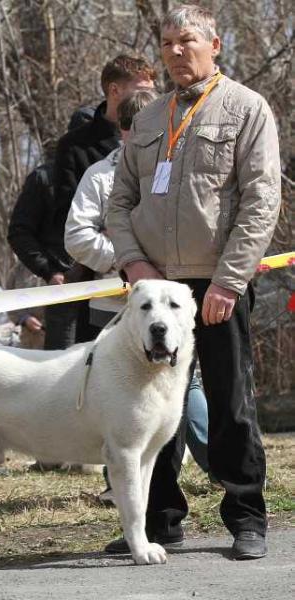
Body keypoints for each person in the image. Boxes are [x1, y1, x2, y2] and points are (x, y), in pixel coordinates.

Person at [106, 4, 281, 560]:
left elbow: (261, 199)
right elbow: (120, 202)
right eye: (167, 44)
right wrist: (134, 265)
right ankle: (159, 520)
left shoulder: (247, 108)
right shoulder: (152, 117)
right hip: (155, 288)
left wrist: (228, 282)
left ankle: (247, 517)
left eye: (187, 41)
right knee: (152, 406)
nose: (177, 52)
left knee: (229, 400)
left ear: (215, 44)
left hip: (217, 284)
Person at [64, 91, 209, 502]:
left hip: (173, 314)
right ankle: (134, 505)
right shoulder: (99, 175)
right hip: (114, 312)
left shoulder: (181, 167)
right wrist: (130, 263)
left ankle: (213, 467)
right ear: (125, 130)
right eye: (145, 128)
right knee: (122, 412)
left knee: (184, 396)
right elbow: (77, 236)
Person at [50, 55, 157, 348]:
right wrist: (126, 258)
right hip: (106, 293)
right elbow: (73, 226)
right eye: (142, 88)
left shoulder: (177, 165)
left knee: (182, 381)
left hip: (166, 295)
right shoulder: (85, 158)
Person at [7, 107, 95, 350]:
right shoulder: (43, 178)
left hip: (106, 289)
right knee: (63, 369)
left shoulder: (113, 173)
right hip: (63, 290)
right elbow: (19, 232)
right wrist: (49, 271)